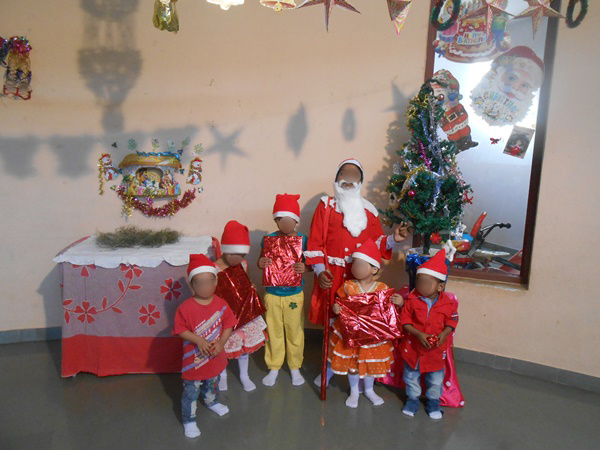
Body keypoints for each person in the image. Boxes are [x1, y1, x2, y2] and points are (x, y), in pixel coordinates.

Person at [305, 158, 409, 386]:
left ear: (360, 181)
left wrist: (394, 239)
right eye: (344, 173)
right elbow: (314, 242)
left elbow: (376, 243)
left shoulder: (370, 211)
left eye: (354, 174)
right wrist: (320, 270)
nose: (349, 178)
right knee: (333, 320)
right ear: (337, 178)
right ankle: (330, 366)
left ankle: (357, 368)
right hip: (331, 275)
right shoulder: (325, 206)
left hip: (358, 277)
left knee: (357, 325)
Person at [328, 239, 405, 408]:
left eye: (361, 265)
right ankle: (354, 391)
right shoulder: (348, 286)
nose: (356, 269)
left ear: (374, 269)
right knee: (353, 364)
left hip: (373, 338)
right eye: (355, 265)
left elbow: (388, 310)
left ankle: (369, 389)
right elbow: (339, 303)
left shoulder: (382, 288)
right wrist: (336, 308)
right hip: (352, 335)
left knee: (371, 363)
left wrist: (399, 302)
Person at [173, 254, 237, 438]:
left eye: (209, 282)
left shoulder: (222, 304)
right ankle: (189, 419)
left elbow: (228, 325)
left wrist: (222, 342)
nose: (205, 287)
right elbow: (180, 330)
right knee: (191, 391)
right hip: (194, 361)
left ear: (216, 282)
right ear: (192, 286)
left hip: (215, 357)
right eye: (200, 283)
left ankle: (211, 402)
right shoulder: (185, 307)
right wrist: (198, 340)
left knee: (212, 383)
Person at [400, 249, 459, 420]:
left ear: (440, 287)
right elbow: (405, 322)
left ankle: (434, 402)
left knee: (435, 379)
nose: (421, 287)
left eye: (426, 283)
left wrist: (444, 334)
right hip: (414, 349)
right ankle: (412, 400)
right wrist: (418, 334)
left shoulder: (448, 303)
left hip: (435, 350)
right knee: (411, 376)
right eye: (419, 283)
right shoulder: (411, 300)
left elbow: (452, 321)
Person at [258, 194, 308, 387]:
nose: (285, 224)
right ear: (276, 220)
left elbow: (310, 263)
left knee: (295, 331)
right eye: (281, 220)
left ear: (295, 220)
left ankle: (295, 367)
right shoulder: (269, 240)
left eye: (289, 220)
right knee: (273, 330)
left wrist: (306, 267)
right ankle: (274, 366)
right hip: (272, 294)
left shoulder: (303, 240)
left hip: (294, 294)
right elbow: (261, 260)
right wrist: (261, 263)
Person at [216, 220, 268, 392]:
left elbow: (246, 284)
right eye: (235, 255)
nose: (239, 259)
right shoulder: (213, 268)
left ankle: (244, 375)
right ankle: (222, 375)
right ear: (226, 249)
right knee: (223, 347)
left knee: (244, 348)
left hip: (243, 315)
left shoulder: (243, 265)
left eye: (242, 255)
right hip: (224, 317)